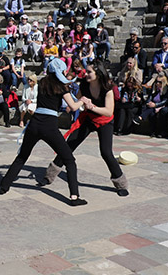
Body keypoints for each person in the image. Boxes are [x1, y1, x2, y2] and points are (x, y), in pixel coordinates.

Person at [0, 59, 87, 205]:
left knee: (22, 156)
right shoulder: (61, 86)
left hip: (34, 123)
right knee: (69, 160)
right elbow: (73, 107)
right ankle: (74, 197)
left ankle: (4, 185)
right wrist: (82, 100)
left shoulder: (43, 82)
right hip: (49, 126)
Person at [46, 60, 130, 197]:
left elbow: (109, 112)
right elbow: (78, 99)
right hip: (88, 118)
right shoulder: (84, 84)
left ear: (98, 73)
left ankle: (121, 183)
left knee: (106, 152)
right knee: (69, 145)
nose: (86, 74)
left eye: (89, 72)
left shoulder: (108, 88)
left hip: (104, 121)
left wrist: (92, 107)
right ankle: (49, 175)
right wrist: (73, 102)